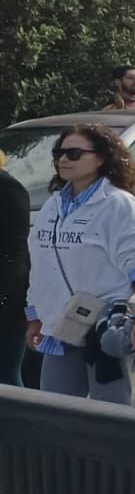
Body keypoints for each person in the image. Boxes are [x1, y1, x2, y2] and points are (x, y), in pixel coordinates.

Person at [23, 125, 135, 404]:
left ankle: (112, 449)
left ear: (100, 158)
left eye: (74, 153)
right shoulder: (52, 206)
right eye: (59, 153)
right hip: (60, 324)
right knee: (55, 410)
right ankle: (66, 450)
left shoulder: (119, 205)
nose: (63, 159)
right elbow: (40, 266)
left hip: (105, 326)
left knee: (109, 411)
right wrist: (35, 317)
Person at [0, 155, 29, 387]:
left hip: (8, 299)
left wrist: (4, 295)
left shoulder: (8, 188)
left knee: (7, 375)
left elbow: (16, 250)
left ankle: (23, 424)